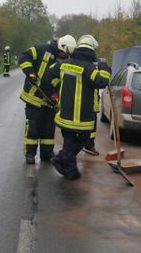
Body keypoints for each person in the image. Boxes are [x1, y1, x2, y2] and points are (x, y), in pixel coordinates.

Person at [41, 35, 111, 180]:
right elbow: (102, 82)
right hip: (82, 115)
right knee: (82, 140)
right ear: (91, 51)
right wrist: (104, 67)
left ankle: (61, 160)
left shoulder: (63, 64)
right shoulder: (89, 68)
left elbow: (47, 75)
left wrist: (56, 90)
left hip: (65, 113)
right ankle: (70, 171)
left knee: (69, 142)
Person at [18, 35, 77, 164]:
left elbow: (61, 83)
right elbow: (23, 58)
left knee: (48, 130)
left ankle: (46, 154)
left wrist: (55, 97)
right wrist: (31, 73)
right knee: (33, 127)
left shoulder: (64, 62)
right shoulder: (40, 49)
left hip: (49, 102)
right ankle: (30, 154)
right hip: (33, 98)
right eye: (65, 54)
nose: (66, 57)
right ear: (61, 47)